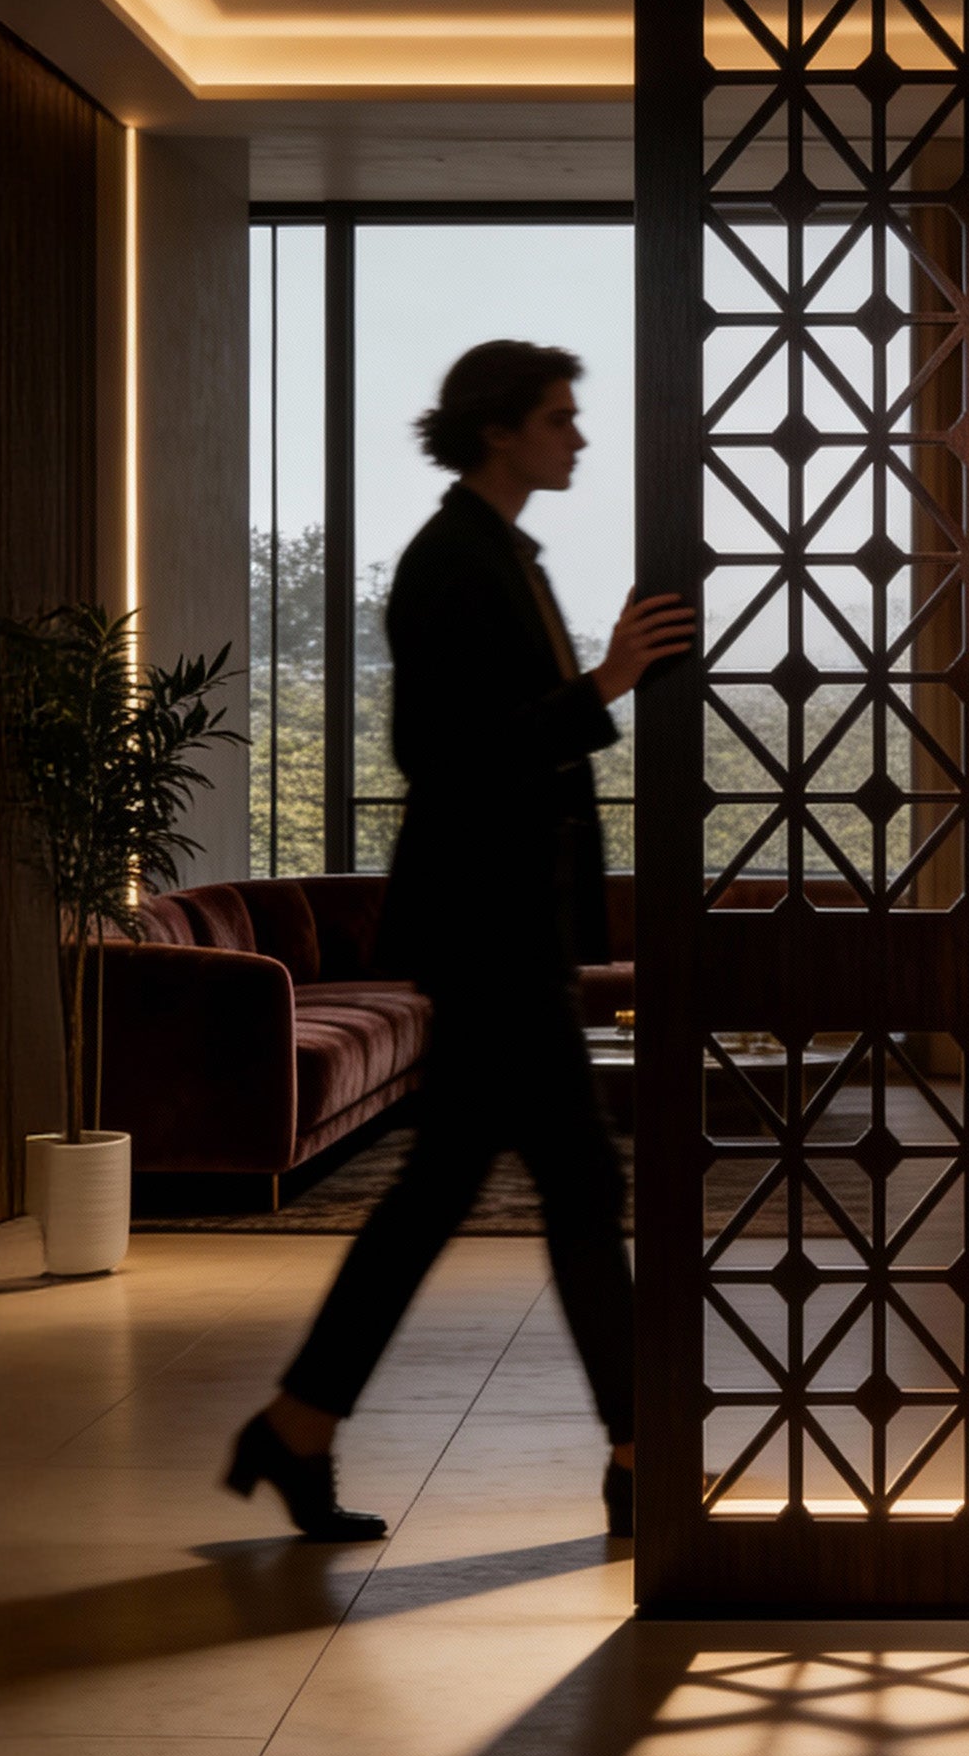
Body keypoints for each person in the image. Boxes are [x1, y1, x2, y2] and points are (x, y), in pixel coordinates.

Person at [226, 340, 693, 1542]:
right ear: (499, 430)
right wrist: (603, 685)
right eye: (559, 418)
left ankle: (295, 1427)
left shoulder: (499, 553)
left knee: (443, 1194)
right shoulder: (452, 563)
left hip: (504, 926)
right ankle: (642, 1461)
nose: (578, 438)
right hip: (490, 931)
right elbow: (442, 751)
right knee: (580, 1187)